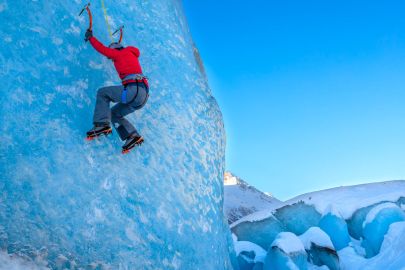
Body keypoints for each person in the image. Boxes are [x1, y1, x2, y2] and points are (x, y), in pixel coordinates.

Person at [84, 29, 149, 153]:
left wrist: (91, 37)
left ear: (115, 50)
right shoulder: (131, 53)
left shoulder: (119, 54)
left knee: (103, 93)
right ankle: (132, 136)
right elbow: (136, 51)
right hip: (143, 96)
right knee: (113, 114)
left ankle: (101, 124)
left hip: (133, 91)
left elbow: (102, 49)